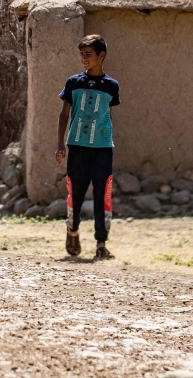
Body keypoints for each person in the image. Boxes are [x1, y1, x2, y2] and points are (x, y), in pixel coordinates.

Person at [55, 34, 120, 261]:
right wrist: (60, 143)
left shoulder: (112, 86)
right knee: (77, 192)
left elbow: (108, 116)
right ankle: (72, 230)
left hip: (102, 149)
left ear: (101, 56)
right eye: (81, 54)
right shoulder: (74, 82)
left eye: (88, 54)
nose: (83, 58)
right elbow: (64, 114)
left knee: (103, 194)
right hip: (77, 147)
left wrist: (108, 142)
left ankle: (101, 244)